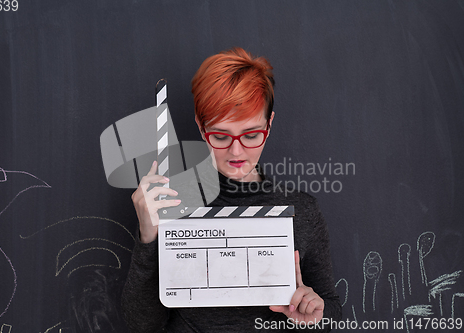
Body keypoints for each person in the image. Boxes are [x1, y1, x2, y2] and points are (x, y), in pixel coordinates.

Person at [122, 47, 342, 332]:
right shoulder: (169, 203)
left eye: (251, 134)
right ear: (201, 128)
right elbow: (141, 325)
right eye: (220, 135)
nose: (236, 151)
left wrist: (315, 312)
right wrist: (148, 236)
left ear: (269, 124)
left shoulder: (302, 211)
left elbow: (332, 311)